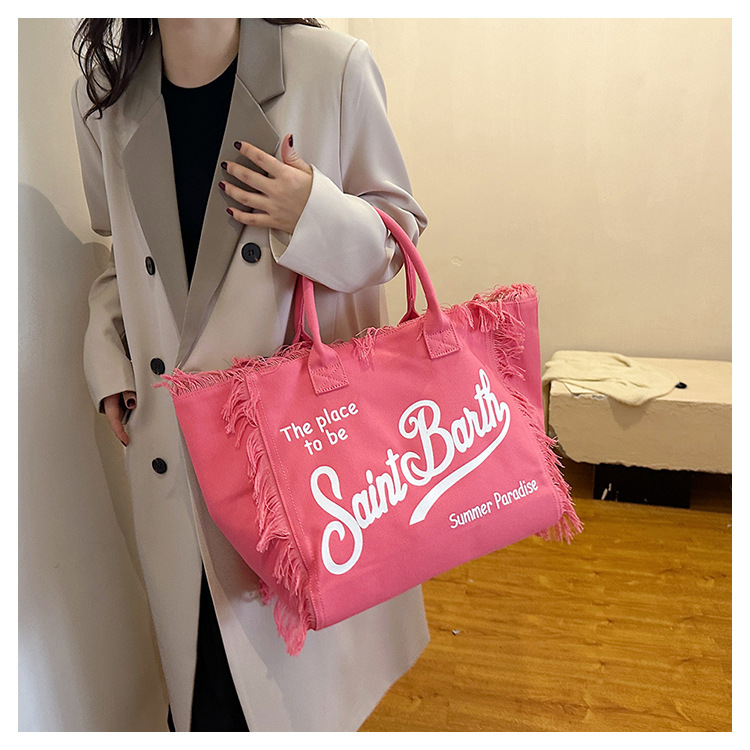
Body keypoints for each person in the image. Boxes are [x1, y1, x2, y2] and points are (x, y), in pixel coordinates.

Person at [71, 18, 430, 732]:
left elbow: (397, 239)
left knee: (282, 699)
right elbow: (125, 256)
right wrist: (108, 347)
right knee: (202, 690)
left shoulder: (331, 68)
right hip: (176, 456)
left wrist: (311, 210)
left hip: (295, 461)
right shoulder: (104, 95)